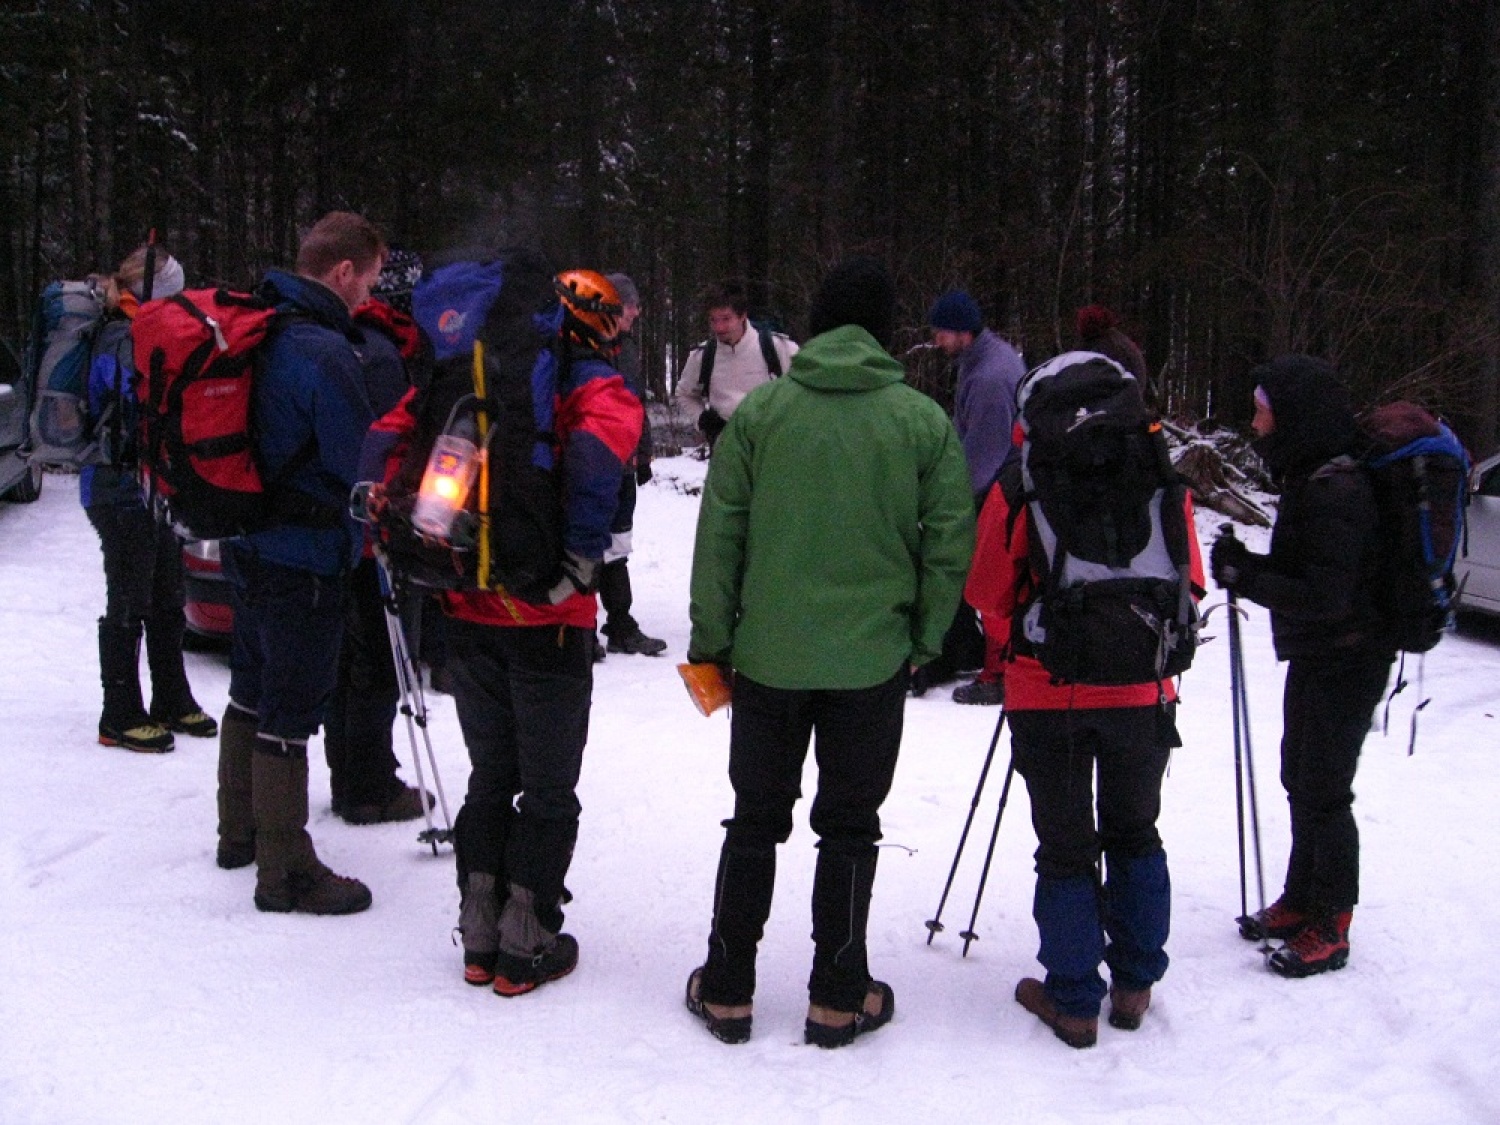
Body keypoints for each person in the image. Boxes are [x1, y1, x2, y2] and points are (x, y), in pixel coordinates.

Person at [683, 258, 974, 1048]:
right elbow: (950, 543)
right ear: (885, 329)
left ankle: (728, 986)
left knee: (755, 817)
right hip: (871, 663)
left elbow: (720, 534)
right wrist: (924, 640)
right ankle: (839, 995)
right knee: (849, 825)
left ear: (816, 325)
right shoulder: (921, 422)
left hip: (767, 657)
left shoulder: (763, 413)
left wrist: (712, 641)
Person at [964, 358, 1204, 1048]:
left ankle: (1073, 999)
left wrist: (1010, 648)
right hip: (1143, 689)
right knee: (1136, 833)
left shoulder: (1023, 480)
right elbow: (1189, 582)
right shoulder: (1158, 474)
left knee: (1066, 848)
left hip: (1048, 692)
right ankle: (1134, 984)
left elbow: (986, 592)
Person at [447, 269, 643, 996]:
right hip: (549, 619)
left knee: (490, 775)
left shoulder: (472, 371)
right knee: (550, 788)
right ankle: (526, 940)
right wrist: (581, 561)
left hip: (468, 606)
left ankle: (480, 930)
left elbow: (391, 436)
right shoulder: (596, 387)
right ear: (602, 324)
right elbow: (595, 460)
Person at [214, 211, 385, 916]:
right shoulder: (323, 351)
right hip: (304, 553)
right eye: (368, 282)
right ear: (343, 271)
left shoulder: (255, 326)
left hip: (245, 538)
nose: (369, 297)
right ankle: (284, 872)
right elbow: (355, 463)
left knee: (250, 686)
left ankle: (238, 831)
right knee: (291, 709)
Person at [1209, 356, 1394, 978]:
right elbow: (1307, 572)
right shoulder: (1310, 474)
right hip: (1323, 651)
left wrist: (1247, 576)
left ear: (1292, 414)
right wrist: (1248, 565)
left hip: (1351, 653)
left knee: (1324, 787)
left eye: (1262, 410)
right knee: (1301, 776)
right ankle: (1301, 898)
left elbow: (1324, 593)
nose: (1256, 422)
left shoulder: (1338, 487)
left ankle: (1332, 921)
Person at [84, 244, 217, 754]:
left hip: (148, 482)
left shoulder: (138, 331)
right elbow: (128, 404)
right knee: (130, 592)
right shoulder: (120, 336)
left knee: (167, 591)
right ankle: (118, 711)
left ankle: (171, 696)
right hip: (116, 485)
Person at [320, 254, 434, 825]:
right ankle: (369, 785)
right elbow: (389, 440)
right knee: (380, 660)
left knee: (350, 658)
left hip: (338, 522)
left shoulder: (347, 340)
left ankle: (350, 775)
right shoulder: (386, 353)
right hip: (373, 526)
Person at [920, 289, 1027, 705]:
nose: (936, 341)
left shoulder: (989, 377)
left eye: (942, 333)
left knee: (989, 577)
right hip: (997, 484)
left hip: (999, 490)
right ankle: (966, 648)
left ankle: (999, 672)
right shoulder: (979, 361)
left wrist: (950, 499)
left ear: (963, 331)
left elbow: (985, 453)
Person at [594, 271, 666, 658]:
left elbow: (635, 403)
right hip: (595, 464)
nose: (636, 312)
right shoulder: (583, 348)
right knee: (588, 544)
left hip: (624, 466)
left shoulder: (628, 348)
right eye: (629, 305)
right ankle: (580, 631)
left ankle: (620, 625)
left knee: (618, 546)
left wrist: (645, 450)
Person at [673, 281, 797, 451]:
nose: (719, 327)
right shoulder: (704, 356)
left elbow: (805, 391)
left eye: (726, 319)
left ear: (742, 316)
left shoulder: (777, 348)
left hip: (774, 450)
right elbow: (684, 394)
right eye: (713, 320)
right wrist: (703, 420)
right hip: (726, 452)